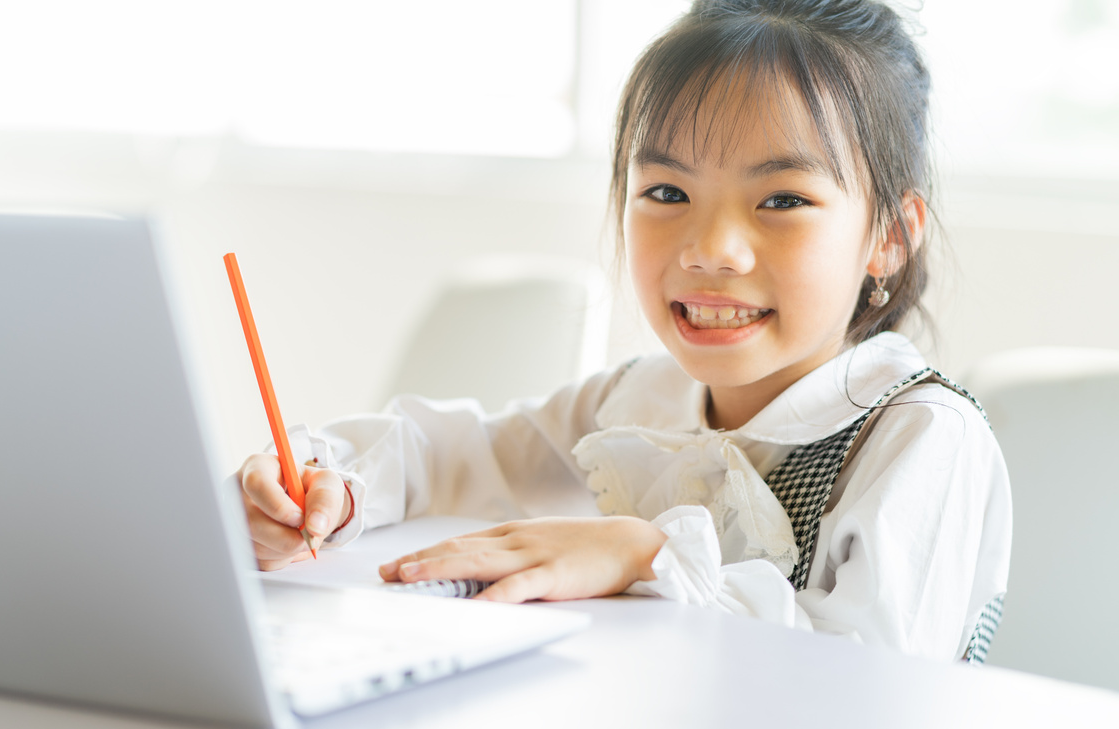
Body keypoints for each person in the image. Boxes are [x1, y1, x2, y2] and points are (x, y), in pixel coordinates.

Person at [237, 0, 1011, 662]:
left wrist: (643, 552)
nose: (710, 249)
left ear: (889, 234)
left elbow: (873, 682)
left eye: (781, 200)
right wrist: (328, 482)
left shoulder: (919, 436)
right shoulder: (645, 400)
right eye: (667, 190)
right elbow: (451, 451)